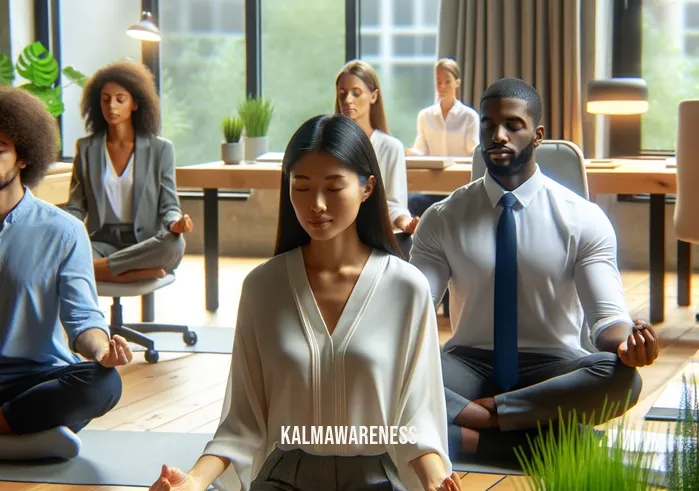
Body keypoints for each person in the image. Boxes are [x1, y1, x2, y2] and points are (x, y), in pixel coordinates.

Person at [149, 114, 461, 491]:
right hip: (285, 479)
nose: (315, 204)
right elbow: (242, 421)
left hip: (374, 479)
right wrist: (194, 481)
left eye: (333, 187)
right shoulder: (263, 287)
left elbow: (419, 419)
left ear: (367, 188)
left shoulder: (406, 287)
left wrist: (436, 482)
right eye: (301, 186)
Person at [410, 77, 658, 463]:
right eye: (489, 126)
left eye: (513, 125)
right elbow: (416, 309)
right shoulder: (442, 218)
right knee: (392, 375)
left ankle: (479, 428)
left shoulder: (583, 219)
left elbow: (607, 318)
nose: (498, 136)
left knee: (620, 377)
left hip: (554, 365)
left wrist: (627, 345)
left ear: (537, 134)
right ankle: (546, 437)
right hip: (467, 364)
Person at [0, 86, 132, 461]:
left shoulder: (63, 231)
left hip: (35, 381)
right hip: (25, 405)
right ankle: (27, 436)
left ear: (24, 156)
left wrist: (103, 350)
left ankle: (15, 431)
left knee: (102, 383)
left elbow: (82, 318)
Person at [63, 61, 193, 284]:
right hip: (101, 242)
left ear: (134, 103)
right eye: (105, 99)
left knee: (174, 244)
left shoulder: (160, 149)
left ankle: (97, 269)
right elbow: (76, 207)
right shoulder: (86, 149)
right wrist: (54, 226)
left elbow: (169, 205)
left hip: (145, 242)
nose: (111, 105)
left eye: (119, 99)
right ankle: (130, 271)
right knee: (62, 251)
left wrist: (175, 223)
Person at [335, 60, 418, 258]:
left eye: (356, 92)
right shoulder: (331, 146)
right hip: (338, 235)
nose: (348, 100)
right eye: (342, 93)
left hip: (376, 237)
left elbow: (394, 203)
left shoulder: (391, 147)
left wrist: (405, 222)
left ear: (373, 96)